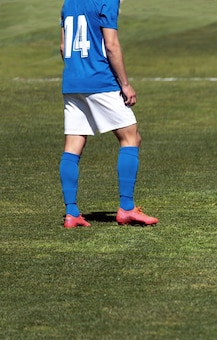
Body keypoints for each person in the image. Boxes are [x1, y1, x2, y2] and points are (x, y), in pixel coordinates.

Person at [59, 0, 158, 228]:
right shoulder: (107, 1)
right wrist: (125, 84)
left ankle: (71, 213)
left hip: (72, 83)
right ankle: (127, 208)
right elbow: (111, 45)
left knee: (73, 144)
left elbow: (64, 48)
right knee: (131, 137)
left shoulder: (68, 3)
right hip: (101, 81)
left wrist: (79, 72)